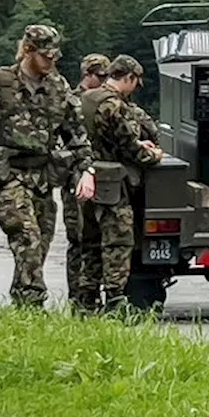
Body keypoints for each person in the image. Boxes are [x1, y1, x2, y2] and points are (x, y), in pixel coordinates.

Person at [0, 24, 97, 309]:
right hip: (8, 176)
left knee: (40, 243)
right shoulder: (0, 82)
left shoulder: (58, 86)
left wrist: (87, 170)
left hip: (42, 177)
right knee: (26, 237)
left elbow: (76, 133)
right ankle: (32, 306)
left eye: (55, 56)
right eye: (46, 56)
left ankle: (22, 304)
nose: (51, 62)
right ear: (28, 51)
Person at [80, 54, 165, 312]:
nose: (134, 89)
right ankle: (115, 301)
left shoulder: (87, 98)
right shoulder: (113, 105)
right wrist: (154, 154)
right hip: (113, 186)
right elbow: (130, 148)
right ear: (128, 78)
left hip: (88, 179)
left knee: (91, 244)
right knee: (118, 243)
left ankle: (85, 301)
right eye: (134, 83)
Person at [63, 53, 111, 313]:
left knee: (98, 239)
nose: (103, 82)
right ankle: (78, 298)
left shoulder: (105, 101)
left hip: (101, 177)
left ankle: (92, 295)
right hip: (75, 177)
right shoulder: (71, 101)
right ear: (88, 75)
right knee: (78, 239)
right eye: (100, 77)